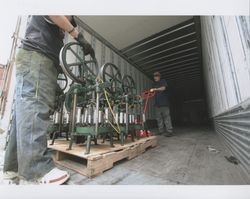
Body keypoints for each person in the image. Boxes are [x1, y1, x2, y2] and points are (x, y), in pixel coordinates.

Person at [3, 16, 95, 185]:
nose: (70, 20)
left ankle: (12, 167)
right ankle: (37, 168)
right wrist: (77, 35)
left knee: (23, 114)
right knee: (34, 107)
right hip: (37, 58)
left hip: (39, 59)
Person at [150, 71, 173, 137]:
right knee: (158, 118)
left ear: (159, 76)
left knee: (166, 117)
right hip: (157, 104)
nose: (155, 77)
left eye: (157, 76)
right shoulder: (153, 84)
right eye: (154, 76)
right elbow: (152, 93)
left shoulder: (163, 81)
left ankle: (169, 131)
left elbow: (163, 88)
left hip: (164, 103)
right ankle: (161, 131)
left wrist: (155, 89)